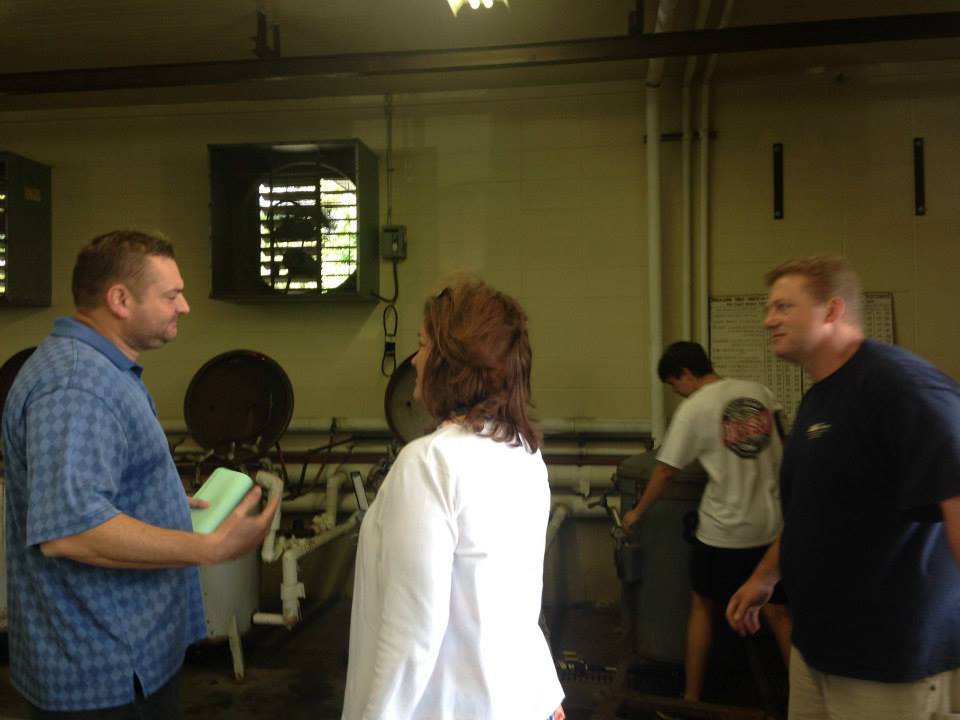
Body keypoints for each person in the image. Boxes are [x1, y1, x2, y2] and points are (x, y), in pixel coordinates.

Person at [2, 230, 280, 719]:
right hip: (102, 669)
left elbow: (96, 490)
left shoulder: (104, 370)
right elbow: (72, 532)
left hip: (129, 656)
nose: (185, 306)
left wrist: (164, 501)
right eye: (171, 294)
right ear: (120, 299)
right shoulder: (75, 384)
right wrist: (208, 549)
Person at [726, 256, 960, 719]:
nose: (767, 320)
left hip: (889, 660)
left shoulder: (902, 388)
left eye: (783, 307)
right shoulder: (821, 395)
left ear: (832, 311)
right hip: (818, 649)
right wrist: (766, 575)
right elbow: (816, 508)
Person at [341, 280, 565, 720]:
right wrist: (544, 690)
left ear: (450, 362)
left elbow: (411, 631)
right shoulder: (523, 453)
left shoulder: (429, 463)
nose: (416, 360)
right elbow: (517, 603)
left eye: (423, 345)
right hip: (517, 699)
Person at [621, 341, 791, 702]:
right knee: (779, 612)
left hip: (723, 533)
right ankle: (808, 701)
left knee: (702, 607)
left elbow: (665, 471)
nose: (677, 393)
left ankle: (691, 698)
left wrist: (638, 511)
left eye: (673, 385)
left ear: (685, 374)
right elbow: (787, 446)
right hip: (772, 528)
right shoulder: (759, 392)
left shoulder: (695, 409)